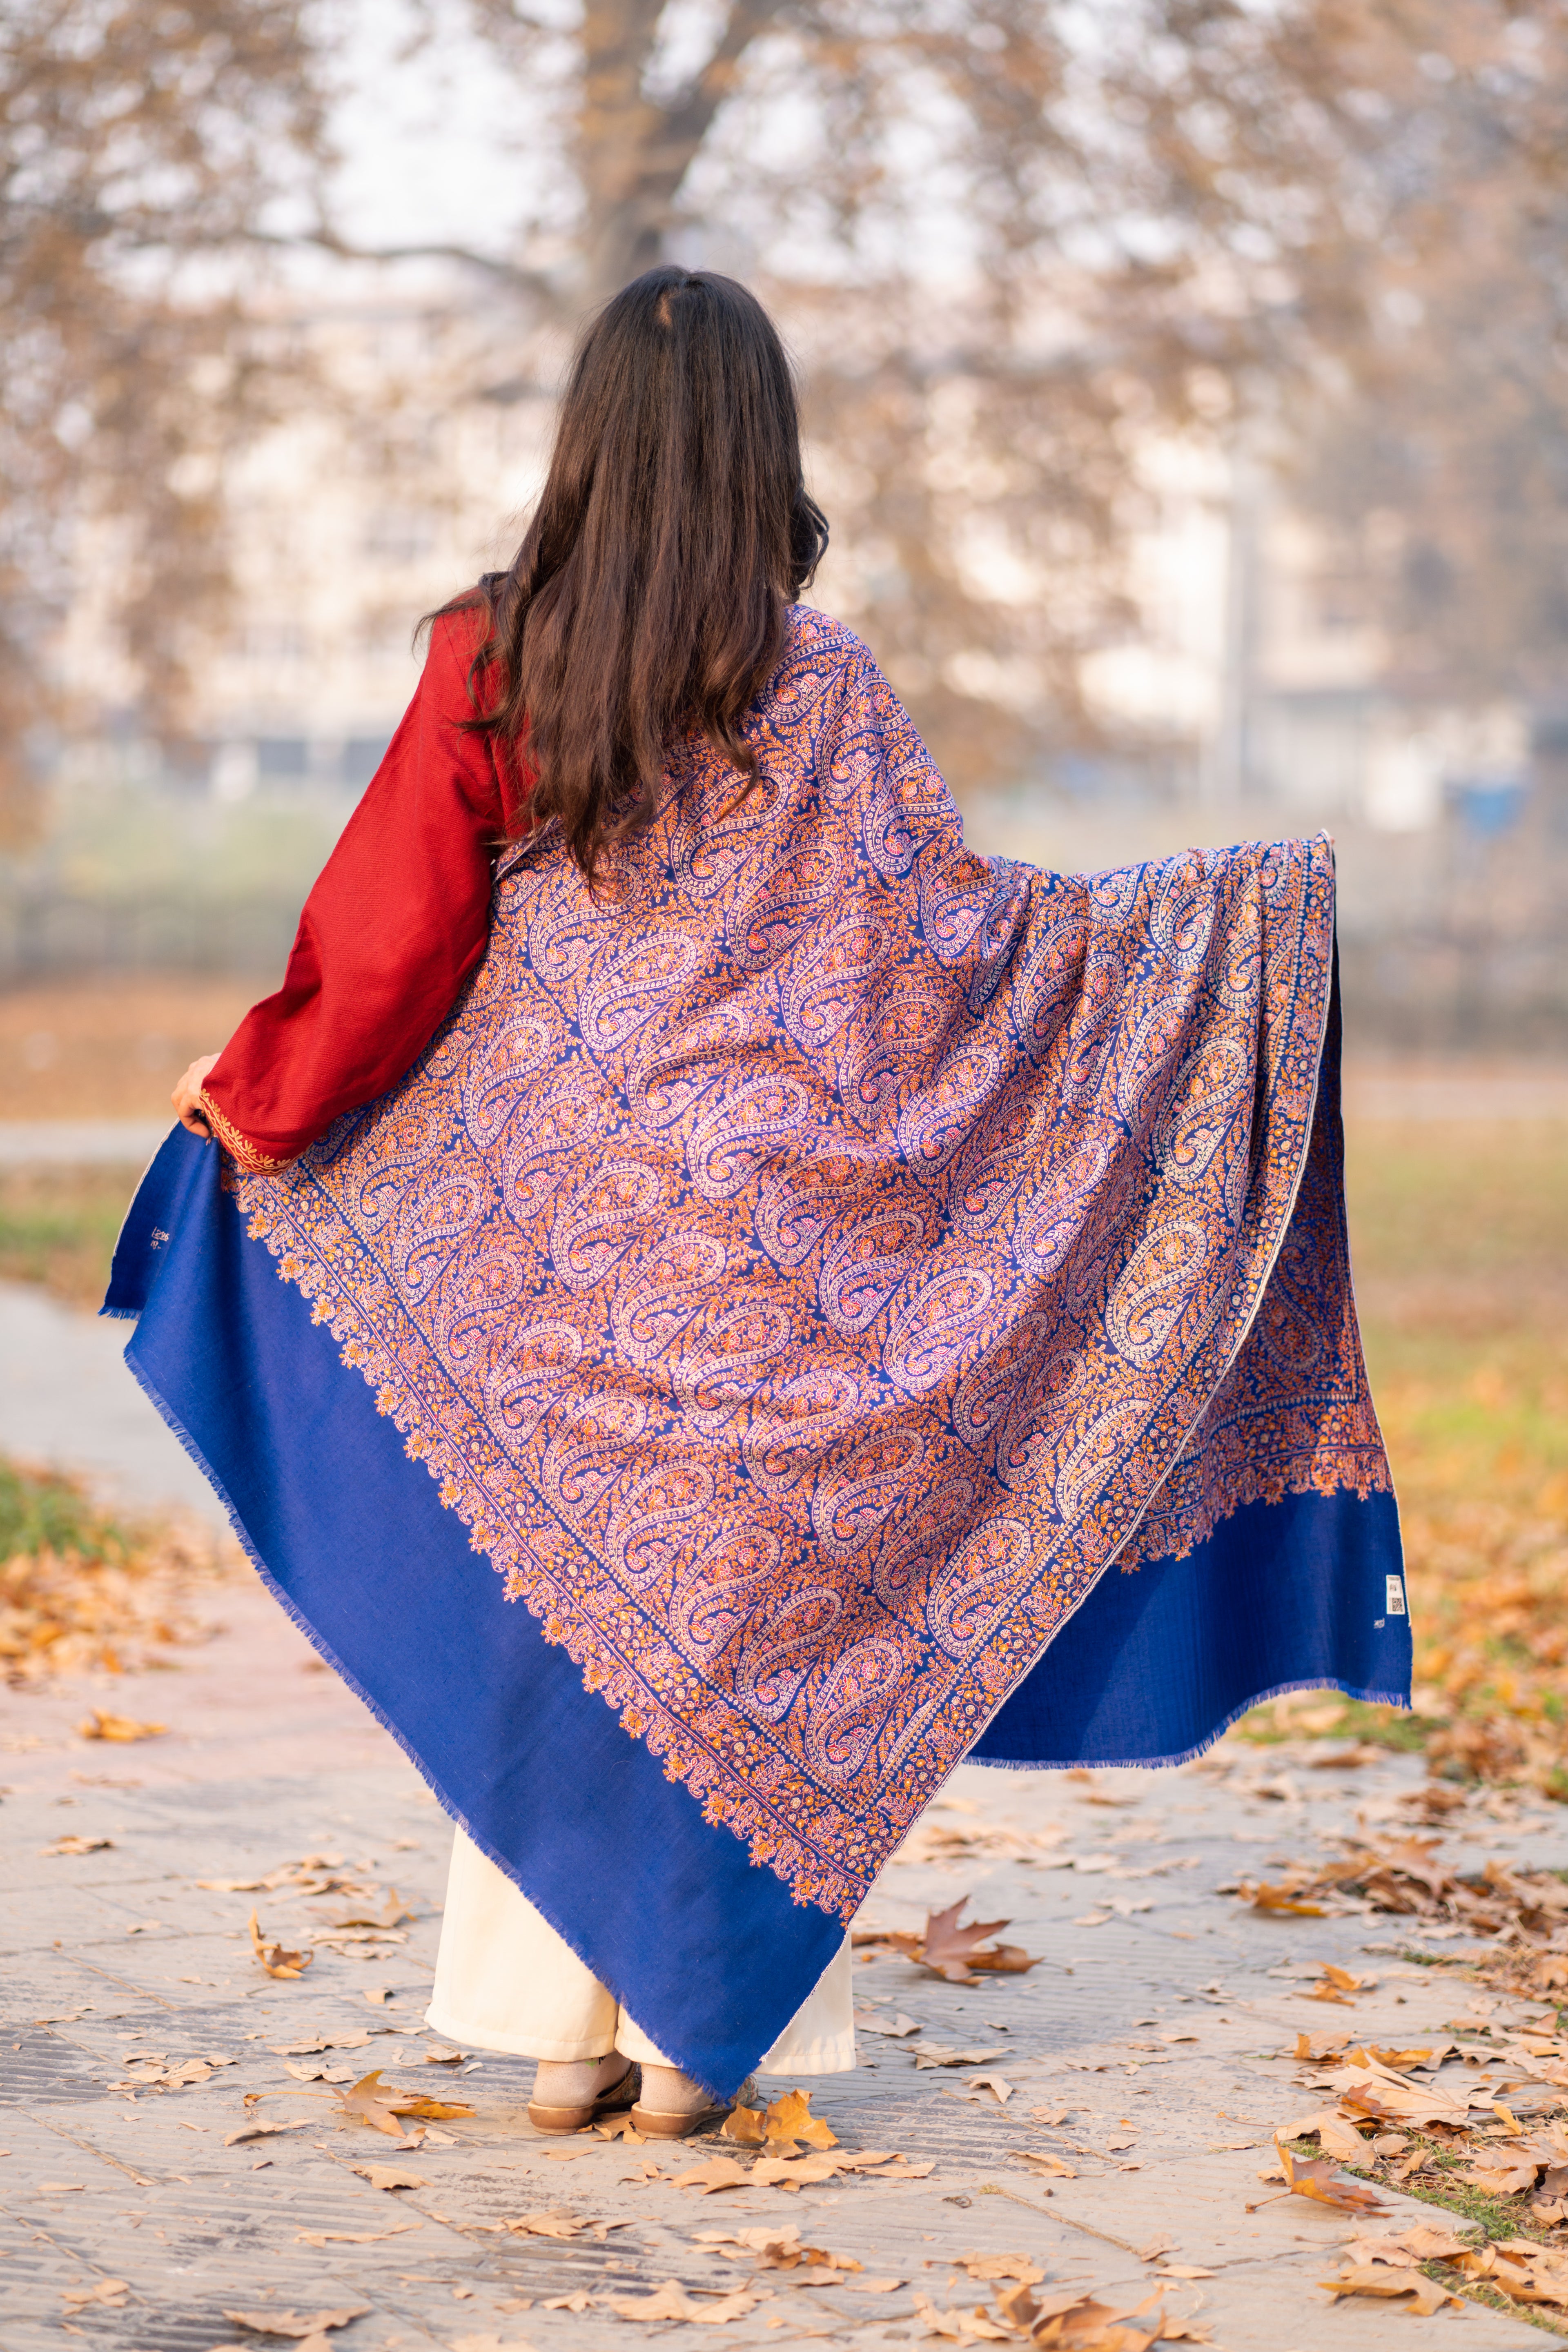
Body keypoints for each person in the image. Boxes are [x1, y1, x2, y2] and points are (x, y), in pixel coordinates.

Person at [127, 265, 1406, 2141]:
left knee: (569, 1606)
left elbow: (393, 939)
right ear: (759, 455)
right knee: (741, 1641)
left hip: (576, 1252)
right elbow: (947, 953)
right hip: (786, 1247)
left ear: (585, 445)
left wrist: (256, 1089)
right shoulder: (826, 685)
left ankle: (553, 2038)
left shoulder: (491, 657)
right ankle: (697, 2052)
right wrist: (1225, 932)